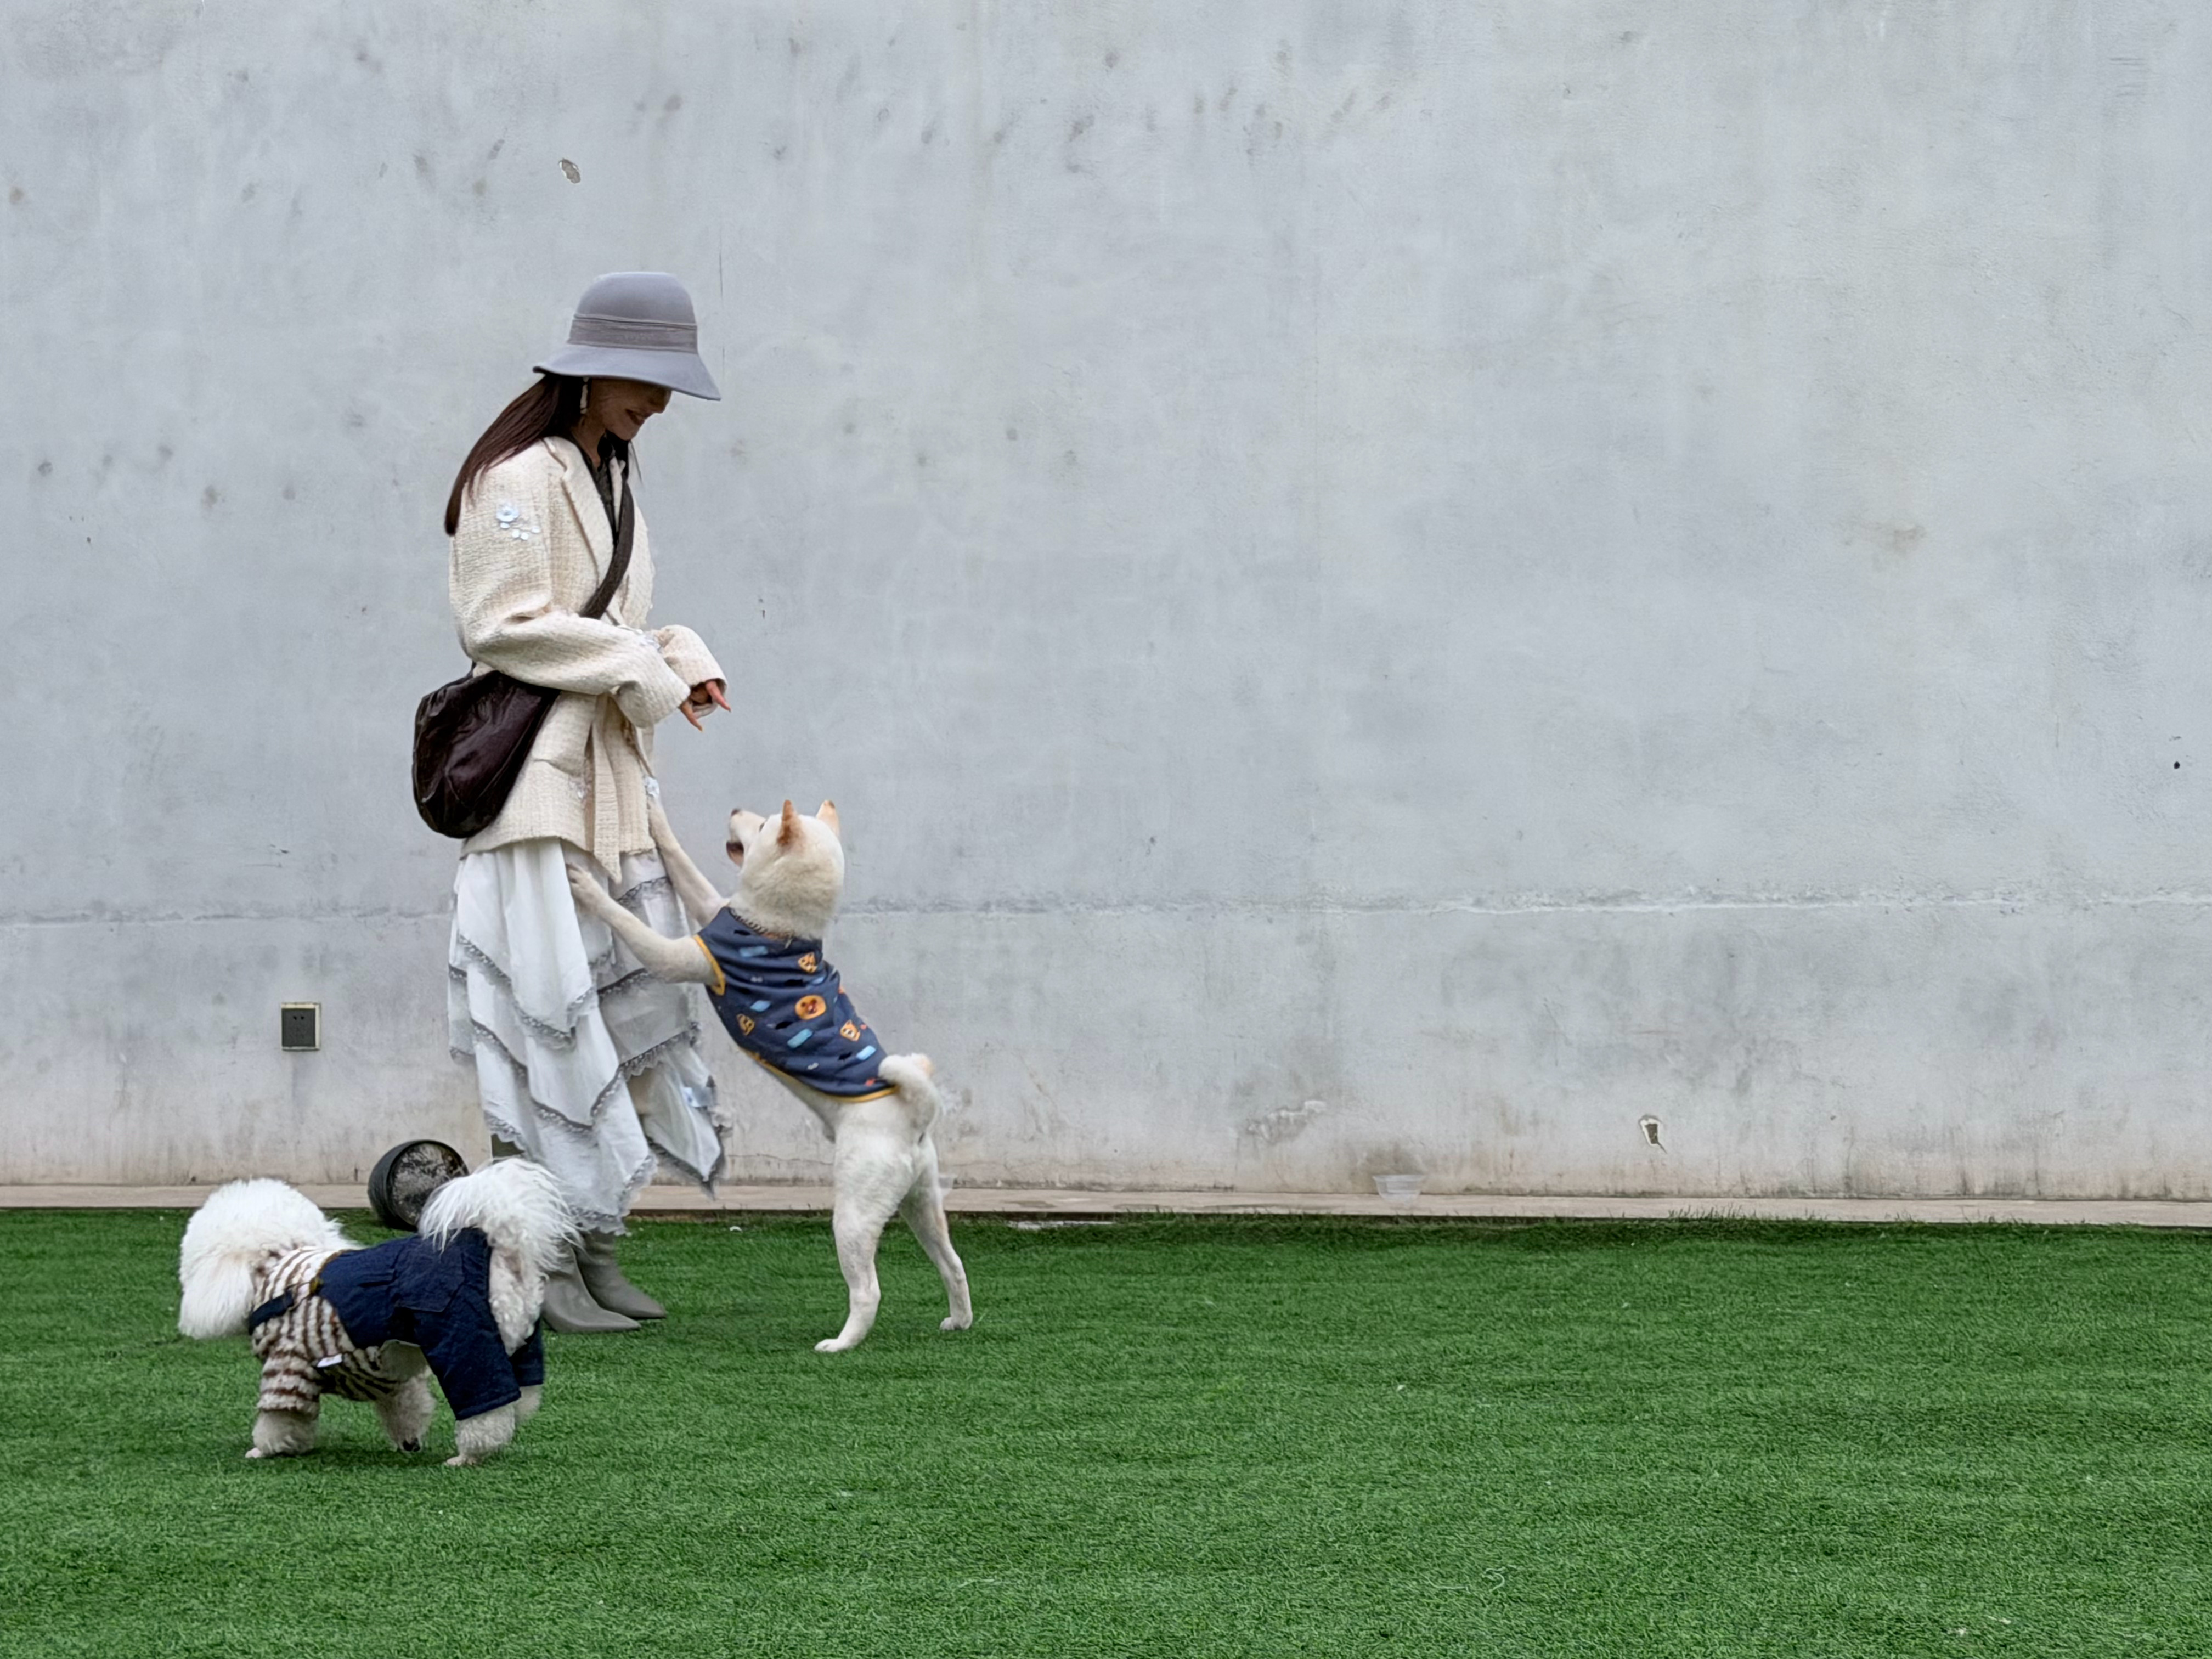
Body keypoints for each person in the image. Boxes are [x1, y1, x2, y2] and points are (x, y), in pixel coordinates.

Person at [440, 272, 730, 1333]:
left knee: (629, 1013)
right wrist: (636, 665)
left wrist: (679, 658)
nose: (657, 402)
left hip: (611, 785)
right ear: (589, 372)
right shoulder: (516, 478)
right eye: (644, 380)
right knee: (547, 1019)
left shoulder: (611, 475)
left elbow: (611, 623)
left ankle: (596, 1243)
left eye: (666, 384)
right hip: (537, 793)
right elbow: (500, 622)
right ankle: (539, 1266)